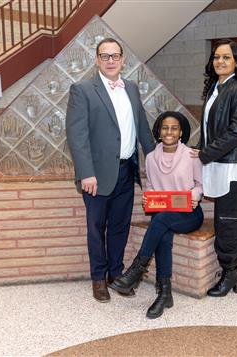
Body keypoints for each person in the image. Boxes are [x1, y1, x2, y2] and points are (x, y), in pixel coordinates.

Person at [66, 38, 155, 303]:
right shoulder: (82, 90)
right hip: (97, 176)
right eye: (105, 56)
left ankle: (115, 273)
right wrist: (86, 173)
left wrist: (156, 159)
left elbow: (142, 127)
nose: (110, 60)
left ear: (123, 59)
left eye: (115, 56)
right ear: (96, 60)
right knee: (96, 228)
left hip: (127, 170)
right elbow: (76, 135)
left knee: (119, 226)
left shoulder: (132, 88)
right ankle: (98, 278)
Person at [110, 111, 203, 318]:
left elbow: (200, 185)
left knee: (160, 221)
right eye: (165, 127)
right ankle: (164, 293)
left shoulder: (191, 155)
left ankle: (137, 270)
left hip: (189, 214)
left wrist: (194, 195)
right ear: (159, 132)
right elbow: (151, 186)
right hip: (162, 212)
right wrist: (148, 196)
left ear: (181, 133)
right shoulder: (151, 158)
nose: (169, 131)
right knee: (162, 231)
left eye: (174, 128)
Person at [191, 39, 237, 297]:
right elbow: (210, 127)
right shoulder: (215, 88)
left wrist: (206, 153)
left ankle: (231, 272)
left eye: (226, 57)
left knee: (231, 220)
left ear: (236, 62)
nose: (220, 61)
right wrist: (199, 148)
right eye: (217, 57)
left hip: (235, 166)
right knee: (224, 217)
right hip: (220, 162)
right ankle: (235, 269)